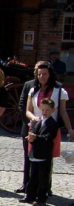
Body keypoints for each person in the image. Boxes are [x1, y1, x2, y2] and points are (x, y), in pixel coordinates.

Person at [25, 62, 74, 194]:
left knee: (47, 160)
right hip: (35, 128)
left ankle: (45, 188)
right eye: (39, 74)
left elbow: (63, 112)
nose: (42, 77)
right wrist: (34, 118)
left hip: (51, 128)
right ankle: (32, 189)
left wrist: (70, 129)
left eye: (45, 74)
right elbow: (28, 111)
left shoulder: (59, 91)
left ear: (50, 74)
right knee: (34, 158)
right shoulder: (33, 90)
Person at [19, 98, 59, 206]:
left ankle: (41, 198)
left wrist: (36, 137)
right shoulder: (38, 121)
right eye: (43, 110)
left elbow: (48, 137)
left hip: (44, 155)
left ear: (53, 110)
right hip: (35, 154)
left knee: (43, 178)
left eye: (47, 110)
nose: (44, 112)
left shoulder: (53, 123)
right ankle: (29, 195)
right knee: (32, 177)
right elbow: (32, 132)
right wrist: (31, 137)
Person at [15, 64, 39, 194]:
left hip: (43, 128)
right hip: (28, 125)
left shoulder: (55, 86)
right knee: (27, 156)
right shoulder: (28, 84)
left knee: (45, 159)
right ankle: (26, 184)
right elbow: (22, 104)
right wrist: (29, 123)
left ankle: (44, 186)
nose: (37, 73)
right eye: (35, 70)